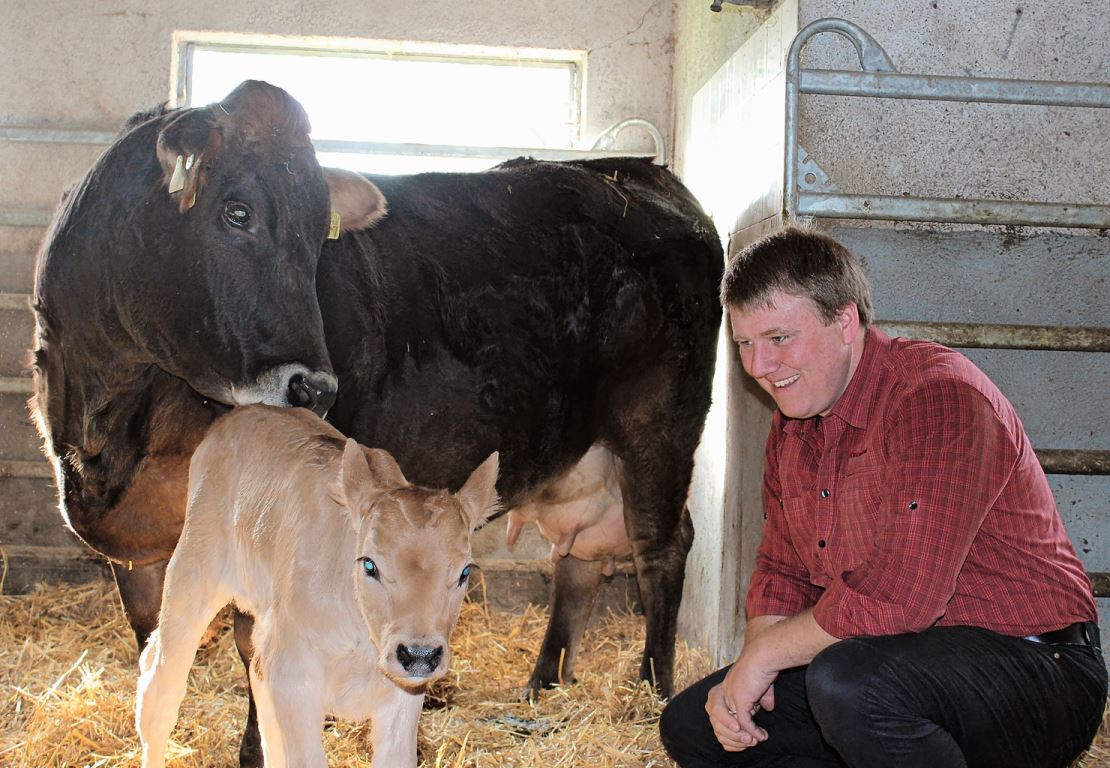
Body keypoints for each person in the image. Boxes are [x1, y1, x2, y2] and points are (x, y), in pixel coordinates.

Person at [659, 226, 1107, 768]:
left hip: (1036, 668)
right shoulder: (794, 424)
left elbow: (900, 599)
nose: (758, 367)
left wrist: (768, 656)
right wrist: (756, 665)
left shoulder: (937, 397)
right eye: (745, 344)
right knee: (694, 727)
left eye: (779, 339)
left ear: (845, 321)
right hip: (889, 664)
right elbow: (782, 569)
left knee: (849, 684)